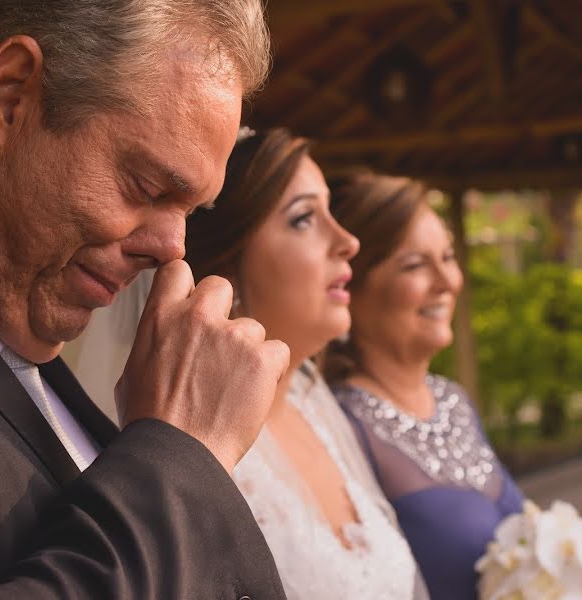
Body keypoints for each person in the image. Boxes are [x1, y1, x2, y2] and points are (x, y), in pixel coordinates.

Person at [0, 1, 291, 598]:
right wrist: (182, 455)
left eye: (189, 211)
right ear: (9, 96)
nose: (172, 250)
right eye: (146, 186)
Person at [186, 128, 428, 599]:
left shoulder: (317, 410)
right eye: (303, 219)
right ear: (227, 272)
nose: (347, 241)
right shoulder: (197, 454)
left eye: (332, 214)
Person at [324, 172, 524, 600]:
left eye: (448, 257)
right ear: (349, 286)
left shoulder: (453, 400)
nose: (448, 281)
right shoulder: (341, 425)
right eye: (415, 265)